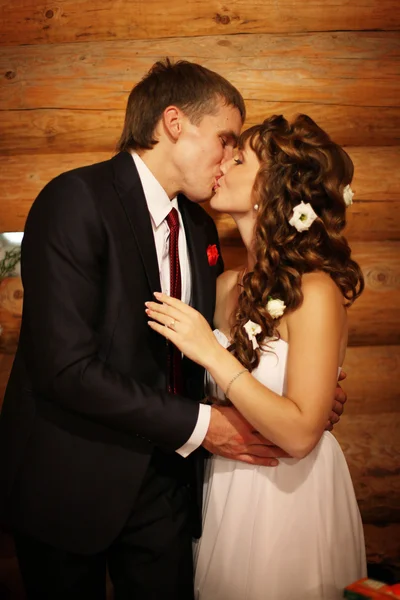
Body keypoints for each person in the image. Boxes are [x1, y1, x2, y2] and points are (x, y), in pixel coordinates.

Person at [0, 58, 345, 598]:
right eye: (226, 138)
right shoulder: (75, 199)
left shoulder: (201, 225)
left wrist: (304, 396)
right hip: (71, 483)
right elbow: (65, 367)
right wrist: (205, 425)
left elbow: (209, 350)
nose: (229, 156)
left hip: (169, 493)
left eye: (240, 150)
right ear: (175, 123)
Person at [146, 114, 367, 599]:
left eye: (239, 157)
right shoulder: (224, 285)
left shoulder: (316, 290)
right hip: (226, 486)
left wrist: (211, 351)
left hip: (288, 496)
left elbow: (299, 434)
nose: (223, 162)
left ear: (274, 187)